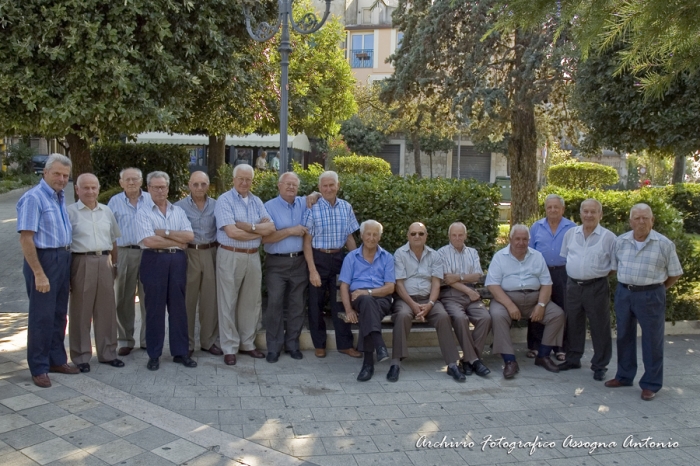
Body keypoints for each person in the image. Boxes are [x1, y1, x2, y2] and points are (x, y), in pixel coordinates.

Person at [390, 222, 487, 383]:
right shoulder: (400, 254)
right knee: (402, 315)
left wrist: (430, 304)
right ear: (408, 235)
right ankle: (395, 363)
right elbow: (399, 285)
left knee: (443, 316)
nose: (417, 237)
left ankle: (452, 364)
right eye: (413, 233)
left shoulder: (434, 255)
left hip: (429, 298)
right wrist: (413, 305)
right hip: (406, 299)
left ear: (426, 236)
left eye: (421, 233)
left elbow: (436, 283)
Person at [606, 204, 682, 401]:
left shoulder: (664, 244)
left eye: (645, 218)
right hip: (625, 293)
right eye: (637, 218)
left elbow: (675, 273)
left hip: (651, 295)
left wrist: (658, 289)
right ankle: (624, 376)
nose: (641, 222)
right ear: (630, 222)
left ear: (652, 220)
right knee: (623, 335)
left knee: (652, 340)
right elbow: (615, 268)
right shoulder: (621, 242)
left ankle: (651, 384)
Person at [17, 153, 79, 387]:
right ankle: (39, 367)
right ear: (45, 172)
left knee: (58, 314)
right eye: (57, 174)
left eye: (65, 175)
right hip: (44, 260)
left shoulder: (59, 197)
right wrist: (39, 273)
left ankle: (56, 360)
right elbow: (26, 239)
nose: (62, 179)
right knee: (41, 317)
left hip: (63, 257)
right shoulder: (34, 198)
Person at [486, 224, 566, 379]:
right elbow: (493, 285)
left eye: (524, 239)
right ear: (510, 239)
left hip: (534, 299)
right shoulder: (500, 257)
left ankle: (543, 356)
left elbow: (546, 283)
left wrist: (541, 305)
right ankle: (510, 361)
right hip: (506, 299)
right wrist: (509, 305)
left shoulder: (537, 256)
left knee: (557, 315)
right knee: (497, 315)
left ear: (529, 240)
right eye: (517, 239)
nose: (521, 242)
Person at [135, 171, 197, 371]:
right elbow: (149, 240)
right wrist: (175, 240)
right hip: (154, 260)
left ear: (168, 188)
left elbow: (189, 236)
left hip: (177, 261)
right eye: (155, 187)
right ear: (148, 189)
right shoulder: (143, 211)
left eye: (163, 186)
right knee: (154, 309)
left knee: (179, 307)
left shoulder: (177, 211)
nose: (160, 190)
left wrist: (165, 233)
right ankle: (154, 354)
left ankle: (180, 352)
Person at [215, 164, 275, 365]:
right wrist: (259, 230)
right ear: (233, 179)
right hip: (230, 255)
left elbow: (271, 227)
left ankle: (247, 343)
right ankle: (229, 347)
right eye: (240, 178)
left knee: (251, 302)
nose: (244, 182)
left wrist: (247, 226)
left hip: (252, 256)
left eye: (248, 179)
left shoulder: (257, 201)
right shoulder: (224, 200)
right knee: (228, 302)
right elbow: (231, 233)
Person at [67, 173, 123, 373]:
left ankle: (108, 353)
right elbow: (65, 245)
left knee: (106, 310)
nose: (90, 191)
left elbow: (114, 240)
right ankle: (81, 356)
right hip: (81, 261)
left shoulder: (106, 211)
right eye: (86, 187)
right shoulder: (70, 212)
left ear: (98, 189)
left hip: (105, 261)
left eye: (93, 187)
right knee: (81, 311)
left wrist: (114, 264)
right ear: (77, 189)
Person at [303, 171, 361, 359]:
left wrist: (355, 264)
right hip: (318, 259)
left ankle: (345, 345)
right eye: (324, 186)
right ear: (319, 188)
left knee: (341, 303)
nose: (328, 189)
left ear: (338, 185)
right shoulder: (312, 208)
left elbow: (350, 238)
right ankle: (319, 345)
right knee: (315, 304)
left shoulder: (346, 207)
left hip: (339, 260)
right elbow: (306, 241)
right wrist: (312, 270)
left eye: (331, 185)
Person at [558, 199, 616, 381]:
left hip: (596, 286)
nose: (589, 215)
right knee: (573, 323)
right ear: (580, 214)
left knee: (599, 326)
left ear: (600, 214)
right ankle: (573, 358)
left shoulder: (609, 238)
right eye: (586, 211)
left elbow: (614, 266)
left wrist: (595, 276)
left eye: (593, 212)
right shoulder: (570, 234)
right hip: (573, 285)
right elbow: (566, 257)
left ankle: (600, 365)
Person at [262, 172, 310, 363]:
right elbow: (265, 238)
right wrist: (291, 231)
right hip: (276, 262)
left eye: (294, 185)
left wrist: (313, 195)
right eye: (287, 184)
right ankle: (273, 347)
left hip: (299, 261)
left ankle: (292, 345)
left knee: (297, 304)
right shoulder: (268, 207)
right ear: (279, 186)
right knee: (274, 304)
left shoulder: (303, 203)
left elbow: (321, 193)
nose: (291, 187)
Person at [339, 220, 396, 381]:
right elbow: (344, 286)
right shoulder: (351, 257)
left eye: (375, 234)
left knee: (367, 305)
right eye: (368, 234)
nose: (371, 238)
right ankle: (378, 346)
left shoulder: (387, 258)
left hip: (382, 300)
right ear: (362, 236)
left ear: (379, 237)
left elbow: (390, 288)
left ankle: (368, 364)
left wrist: (368, 292)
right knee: (366, 302)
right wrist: (349, 310)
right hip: (360, 301)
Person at [174, 171, 222, 358]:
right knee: (188, 300)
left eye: (203, 184)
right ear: (189, 185)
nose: (199, 188)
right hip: (189, 254)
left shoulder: (217, 206)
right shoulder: (178, 207)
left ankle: (208, 341)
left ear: (208, 185)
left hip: (211, 252)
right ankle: (187, 342)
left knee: (210, 300)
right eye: (196, 184)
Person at [108, 168, 151, 356]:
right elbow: (109, 232)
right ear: (121, 183)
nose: (131, 182)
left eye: (135, 179)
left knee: (149, 298)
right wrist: (113, 259)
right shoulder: (114, 202)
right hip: (124, 252)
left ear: (141, 182)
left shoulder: (151, 200)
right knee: (123, 298)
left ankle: (148, 339)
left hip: (149, 252)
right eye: (128, 180)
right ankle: (125, 340)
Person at [437, 222, 492, 371]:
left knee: (485, 318)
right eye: (454, 235)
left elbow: (476, 276)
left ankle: (468, 360)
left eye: (460, 235)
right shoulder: (442, 253)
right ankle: (475, 360)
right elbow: (447, 280)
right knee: (461, 319)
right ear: (449, 236)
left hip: (471, 296)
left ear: (465, 235)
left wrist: (458, 276)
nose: (457, 238)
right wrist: (468, 288)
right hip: (451, 294)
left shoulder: (472, 252)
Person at [528, 194, 575, 361]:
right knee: (539, 306)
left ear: (562, 209)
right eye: (549, 207)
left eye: (556, 207)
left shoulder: (572, 227)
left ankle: (560, 347)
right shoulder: (536, 227)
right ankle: (535, 345)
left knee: (563, 309)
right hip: (540, 272)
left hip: (563, 272)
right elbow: (529, 251)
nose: (553, 210)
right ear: (545, 209)